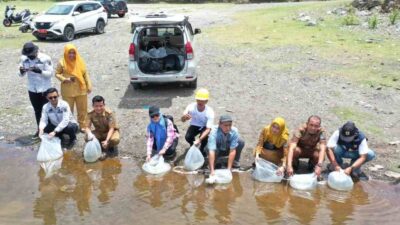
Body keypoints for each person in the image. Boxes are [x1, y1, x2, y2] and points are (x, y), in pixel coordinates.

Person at [18, 42, 54, 139]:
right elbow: (20, 74)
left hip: (45, 89)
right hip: (32, 89)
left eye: (31, 55)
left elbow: (50, 74)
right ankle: (40, 130)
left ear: (36, 51)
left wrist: (40, 71)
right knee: (37, 111)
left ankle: (50, 131)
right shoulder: (23, 59)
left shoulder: (45, 58)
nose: (30, 57)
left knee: (47, 110)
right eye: (28, 55)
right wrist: (21, 71)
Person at [55, 44, 92, 132]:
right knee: (68, 109)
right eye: (69, 53)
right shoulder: (62, 62)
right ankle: (70, 126)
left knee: (82, 108)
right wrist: (64, 79)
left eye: (73, 53)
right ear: (66, 53)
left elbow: (85, 74)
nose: (71, 55)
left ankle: (82, 125)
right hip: (68, 90)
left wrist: (89, 84)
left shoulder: (80, 61)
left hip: (81, 89)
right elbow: (57, 73)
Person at [181, 88, 214, 156]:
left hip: (205, 126)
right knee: (188, 137)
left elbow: (208, 129)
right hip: (194, 125)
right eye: (198, 100)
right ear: (196, 99)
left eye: (202, 100)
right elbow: (182, 120)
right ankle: (193, 145)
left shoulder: (210, 112)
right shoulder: (191, 107)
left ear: (206, 101)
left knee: (204, 137)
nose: (200, 102)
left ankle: (202, 148)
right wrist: (185, 117)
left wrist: (199, 139)